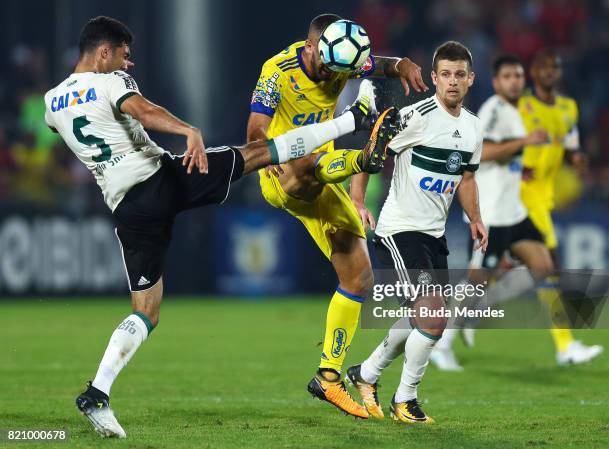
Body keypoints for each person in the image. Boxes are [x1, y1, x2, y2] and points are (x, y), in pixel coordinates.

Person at [44, 16, 394, 438]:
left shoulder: (50, 102)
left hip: (126, 208)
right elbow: (142, 110)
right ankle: (352, 124)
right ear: (103, 53)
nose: (128, 64)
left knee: (145, 311)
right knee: (261, 152)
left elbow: (64, 127)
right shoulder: (110, 83)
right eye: (123, 55)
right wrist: (187, 129)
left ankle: (97, 393)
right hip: (162, 179)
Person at [246, 13, 428, 419]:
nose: (334, 75)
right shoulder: (277, 72)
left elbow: (376, 64)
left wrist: (402, 65)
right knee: (304, 162)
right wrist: (264, 150)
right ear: (311, 47)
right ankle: (363, 154)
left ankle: (327, 377)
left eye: (342, 72)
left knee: (359, 275)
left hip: (325, 172)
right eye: (328, 67)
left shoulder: (343, 57)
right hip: (282, 173)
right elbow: (256, 127)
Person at [345, 41, 488, 423]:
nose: (453, 82)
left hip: (433, 235)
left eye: (460, 74)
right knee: (434, 317)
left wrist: (475, 218)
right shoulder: (417, 116)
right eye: (445, 74)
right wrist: (358, 202)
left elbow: (467, 177)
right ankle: (405, 399)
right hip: (400, 229)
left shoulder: (473, 128)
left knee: (422, 318)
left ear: (470, 79)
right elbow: (369, 150)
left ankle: (366, 373)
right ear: (435, 78)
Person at [429, 54, 554, 371]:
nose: (515, 81)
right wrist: (525, 142)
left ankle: (479, 309)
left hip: (514, 211)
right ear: (497, 82)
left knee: (542, 265)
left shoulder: (516, 112)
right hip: (493, 214)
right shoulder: (493, 111)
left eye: (518, 75)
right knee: (475, 279)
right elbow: (482, 154)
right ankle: (441, 344)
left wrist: (519, 168)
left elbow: (506, 155)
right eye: (508, 76)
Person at [519, 49, 603, 365]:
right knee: (547, 268)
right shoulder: (521, 107)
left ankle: (444, 335)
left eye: (554, 66)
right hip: (519, 197)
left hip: (542, 199)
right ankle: (565, 345)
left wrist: (577, 158)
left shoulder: (569, 108)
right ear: (534, 73)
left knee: (488, 274)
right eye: (543, 67)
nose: (550, 72)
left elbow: (571, 146)